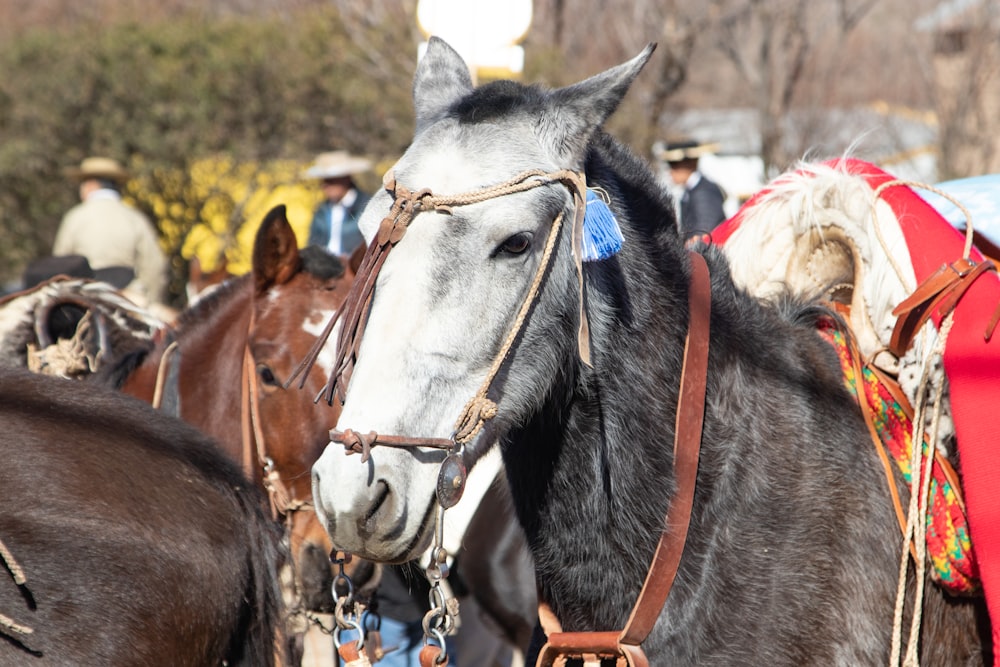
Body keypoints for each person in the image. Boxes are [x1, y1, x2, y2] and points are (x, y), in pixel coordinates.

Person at [53, 156, 168, 307]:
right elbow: (155, 265)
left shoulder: (75, 217)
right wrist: (151, 300)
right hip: (129, 295)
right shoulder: (135, 218)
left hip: (85, 295)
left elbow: (60, 263)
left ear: (91, 185)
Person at [654, 138, 727, 244]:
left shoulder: (704, 192)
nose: (671, 171)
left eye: (674, 165)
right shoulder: (692, 191)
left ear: (689, 164)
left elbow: (705, 234)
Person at [303, 150, 373, 256]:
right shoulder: (321, 211)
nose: (326, 186)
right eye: (324, 180)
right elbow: (313, 244)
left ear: (346, 179)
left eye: (332, 180)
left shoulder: (366, 206)